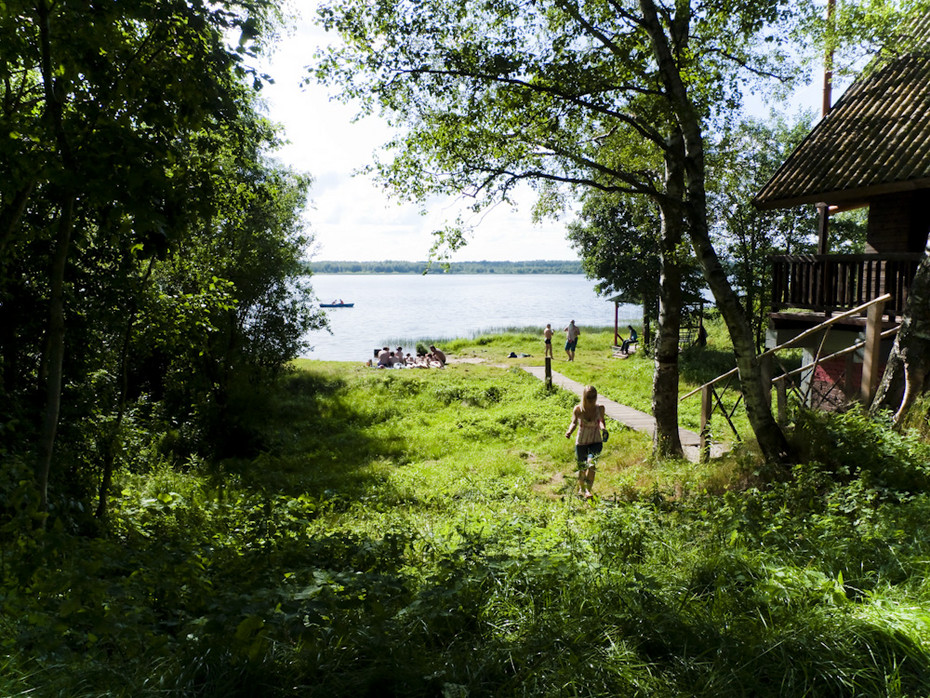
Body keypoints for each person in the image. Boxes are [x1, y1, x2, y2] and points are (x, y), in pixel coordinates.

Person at [565, 385, 606, 499]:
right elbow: (574, 423)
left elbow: (601, 421)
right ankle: (581, 488)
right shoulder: (578, 409)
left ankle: (588, 490)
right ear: (584, 396)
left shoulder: (600, 408)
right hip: (582, 441)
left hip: (596, 441)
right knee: (582, 468)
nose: (591, 399)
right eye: (589, 396)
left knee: (591, 464)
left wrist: (603, 429)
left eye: (594, 396)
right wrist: (569, 432)